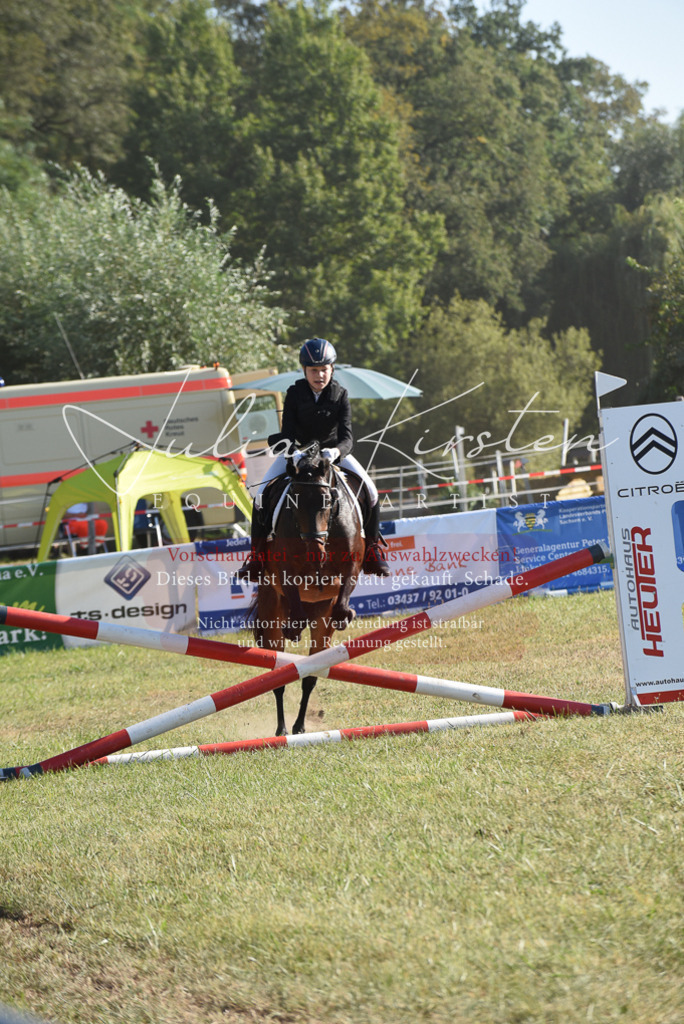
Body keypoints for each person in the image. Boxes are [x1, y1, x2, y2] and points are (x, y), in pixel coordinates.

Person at [237, 338, 390, 581]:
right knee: (260, 496)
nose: (319, 375)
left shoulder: (340, 395)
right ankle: (255, 558)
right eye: (313, 370)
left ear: (332, 369)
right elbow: (286, 432)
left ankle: (372, 551)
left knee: (371, 491)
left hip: (333, 456)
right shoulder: (295, 394)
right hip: (298, 453)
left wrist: (336, 452)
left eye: (324, 369)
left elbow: (348, 438)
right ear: (305, 370)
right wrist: (294, 452)